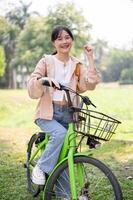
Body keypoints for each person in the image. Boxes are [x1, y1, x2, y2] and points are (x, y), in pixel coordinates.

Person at [27, 25, 101, 186]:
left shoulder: (77, 65)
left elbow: (90, 85)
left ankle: (66, 195)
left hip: (69, 113)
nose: (64, 41)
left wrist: (90, 58)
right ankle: (41, 167)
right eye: (59, 39)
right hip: (48, 112)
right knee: (59, 135)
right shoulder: (47, 61)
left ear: (72, 40)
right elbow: (32, 83)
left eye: (67, 37)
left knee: (66, 153)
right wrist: (44, 80)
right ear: (54, 43)